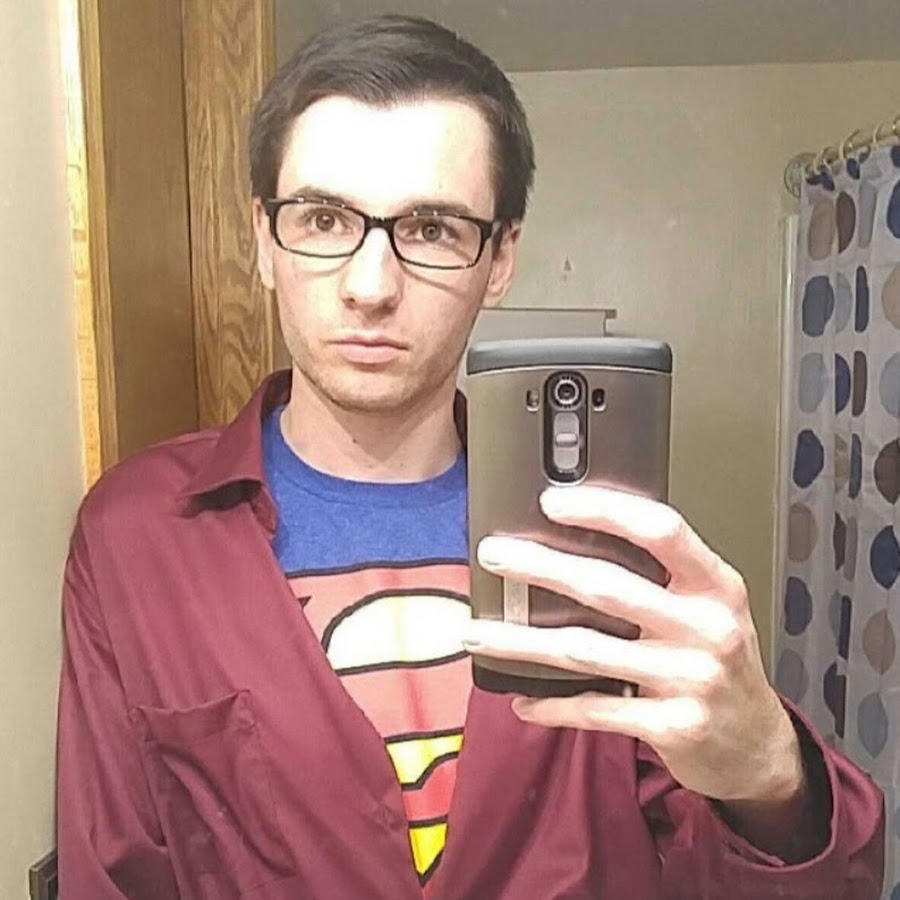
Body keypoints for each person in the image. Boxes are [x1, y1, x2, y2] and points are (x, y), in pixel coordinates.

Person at [56, 14, 884, 900]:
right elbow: (112, 873)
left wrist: (769, 776)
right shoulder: (137, 535)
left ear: (500, 259)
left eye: (432, 229)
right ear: (264, 240)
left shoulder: (601, 533)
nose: (370, 286)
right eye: (324, 219)